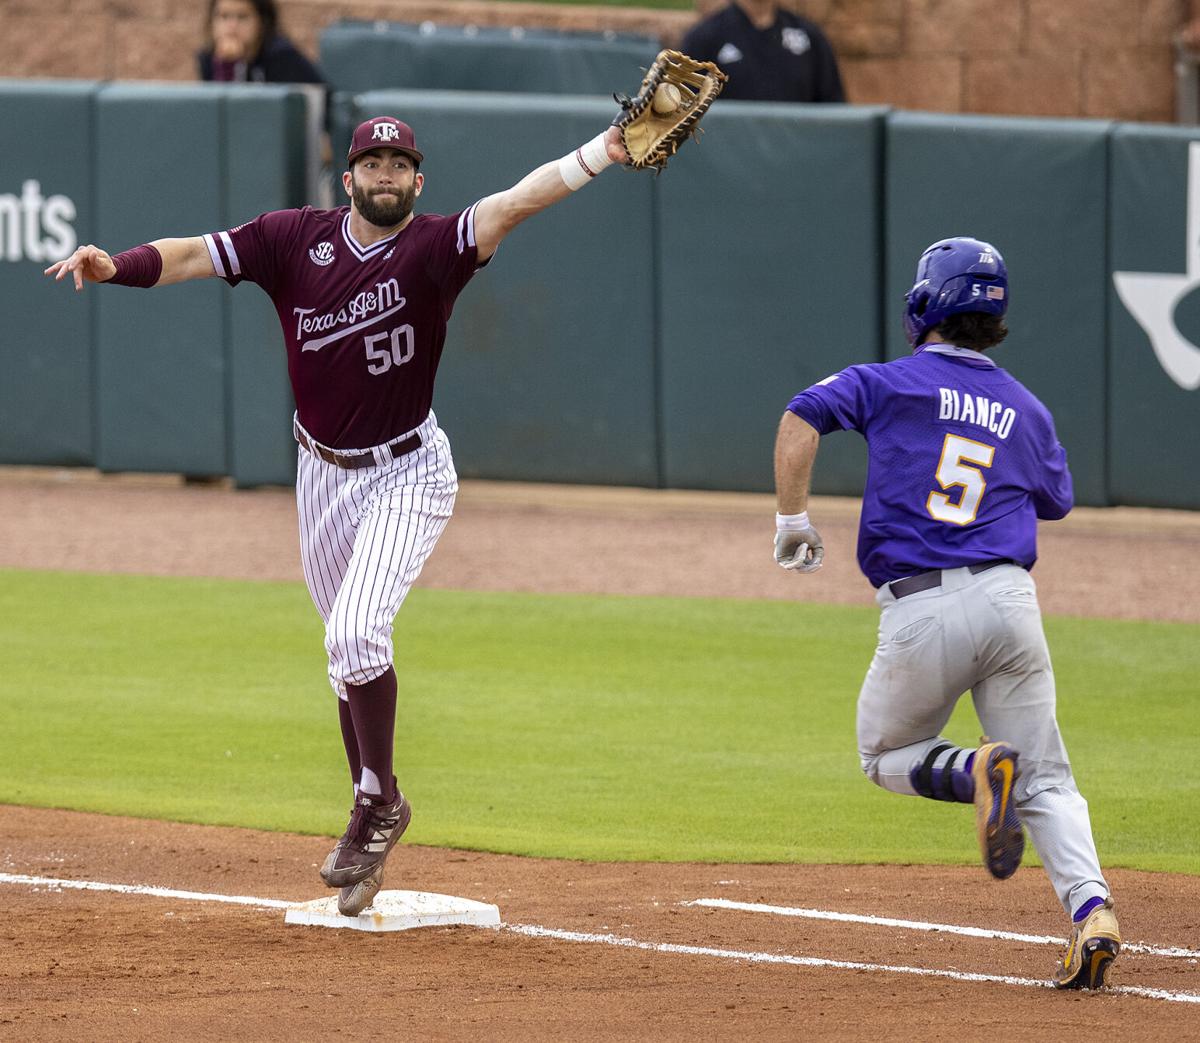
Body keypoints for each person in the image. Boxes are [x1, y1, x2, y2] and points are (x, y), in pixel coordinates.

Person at [46, 115, 632, 918]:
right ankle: (377, 808)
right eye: (372, 161)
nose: (385, 173)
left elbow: (511, 205)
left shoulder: (434, 248)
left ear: (418, 181)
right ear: (347, 177)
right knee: (341, 657)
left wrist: (604, 150)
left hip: (408, 472)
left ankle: (377, 804)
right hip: (320, 473)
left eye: (400, 163)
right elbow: (194, 253)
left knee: (356, 633)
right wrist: (118, 266)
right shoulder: (293, 240)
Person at [771, 237, 1121, 990]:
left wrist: (792, 520)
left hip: (922, 605)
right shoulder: (1028, 407)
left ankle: (973, 769)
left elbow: (800, 417)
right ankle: (1092, 913)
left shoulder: (891, 382)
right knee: (1048, 779)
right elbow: (1056, 501)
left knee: (882, 755)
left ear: (926, 303)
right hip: (1010, 601)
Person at [679, 0, 844, 103]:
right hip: (728, 154)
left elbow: (833, 109)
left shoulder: (810, 37)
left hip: (798, 152)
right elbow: (682, 113)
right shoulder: (704, 39)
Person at [198, 0, 325, 86]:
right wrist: (226, 66)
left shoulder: (281, 56)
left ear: (262, 22)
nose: (232, 26)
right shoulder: (209, 58)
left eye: (242, 17)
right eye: (224, 16)